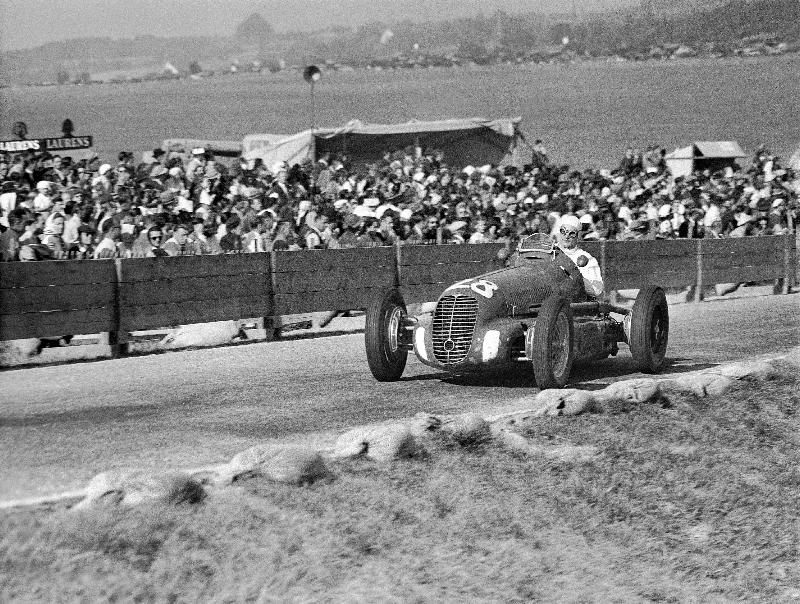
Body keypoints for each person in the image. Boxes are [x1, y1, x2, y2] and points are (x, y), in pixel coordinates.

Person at [555, 215, 604, 298]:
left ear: (578, 236)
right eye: (563, 232)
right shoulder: (549, 251)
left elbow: (597, 289)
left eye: (572, 234)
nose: (566, 236)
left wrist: (575, 276)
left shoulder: (587, 258)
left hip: (570, 301)